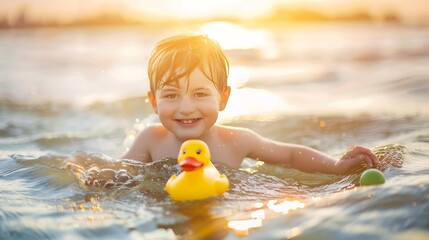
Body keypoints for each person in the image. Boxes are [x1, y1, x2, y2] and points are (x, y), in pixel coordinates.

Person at [121, 33, 378, 174]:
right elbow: (119, 170)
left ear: (222, 98)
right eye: (171, 95)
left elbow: (289, 155)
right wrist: (100, 177)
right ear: (153, 102)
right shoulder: (150, 140)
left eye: (200, 94)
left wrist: (334, 166)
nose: (186, 107)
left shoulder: (237, 141)